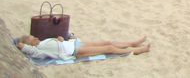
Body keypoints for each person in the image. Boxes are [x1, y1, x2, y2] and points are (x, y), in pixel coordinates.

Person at [17, 34, 149, 59]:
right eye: (32, 38)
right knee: (109, 49)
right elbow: (25, 48)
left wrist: (60, 39)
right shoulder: (38, 50)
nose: (35, 37)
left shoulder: (43, 42)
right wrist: (22, 44)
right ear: (30, 44)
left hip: (74, 43)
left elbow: (59, 41)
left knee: (107, 42)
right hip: (75, 51)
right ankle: (137, 50)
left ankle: (132, 43)